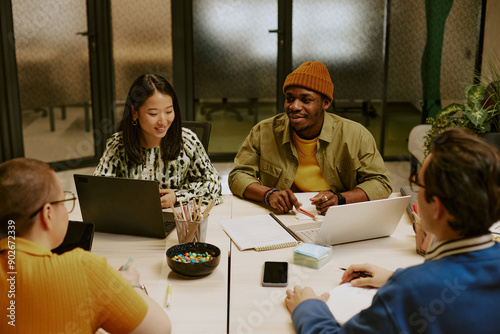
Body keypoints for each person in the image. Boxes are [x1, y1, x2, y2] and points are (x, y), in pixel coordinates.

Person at [285, 128, 500, 333]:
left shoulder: (409, 292)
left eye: (419, 185)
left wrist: (308, 307)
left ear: (438, 207)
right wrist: (396, 278)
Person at [0, 158, 171, 333]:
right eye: (62, 202)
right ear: (47, 214)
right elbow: (159, 329)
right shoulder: (84, 268)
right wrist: (130, 287)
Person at [228, 61, 391, 214]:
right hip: (284, 216)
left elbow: (380, 182)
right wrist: (269, 194)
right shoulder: (264, 131)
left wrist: (341, 199)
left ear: (325, 103)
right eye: (290, 98)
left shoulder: (355, 135)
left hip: (336, 216)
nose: (294, 106)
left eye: (306, 100)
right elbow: (238, 175)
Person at [95, 74, 222, 208]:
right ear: (134, 112)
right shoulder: (118, 145)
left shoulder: (186, 141)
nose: (162, 121)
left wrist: (177, 197)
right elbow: (98, 189)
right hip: (133, 221)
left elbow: (214, 184)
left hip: (178, 220)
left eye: (168, 111)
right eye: (153, 114)